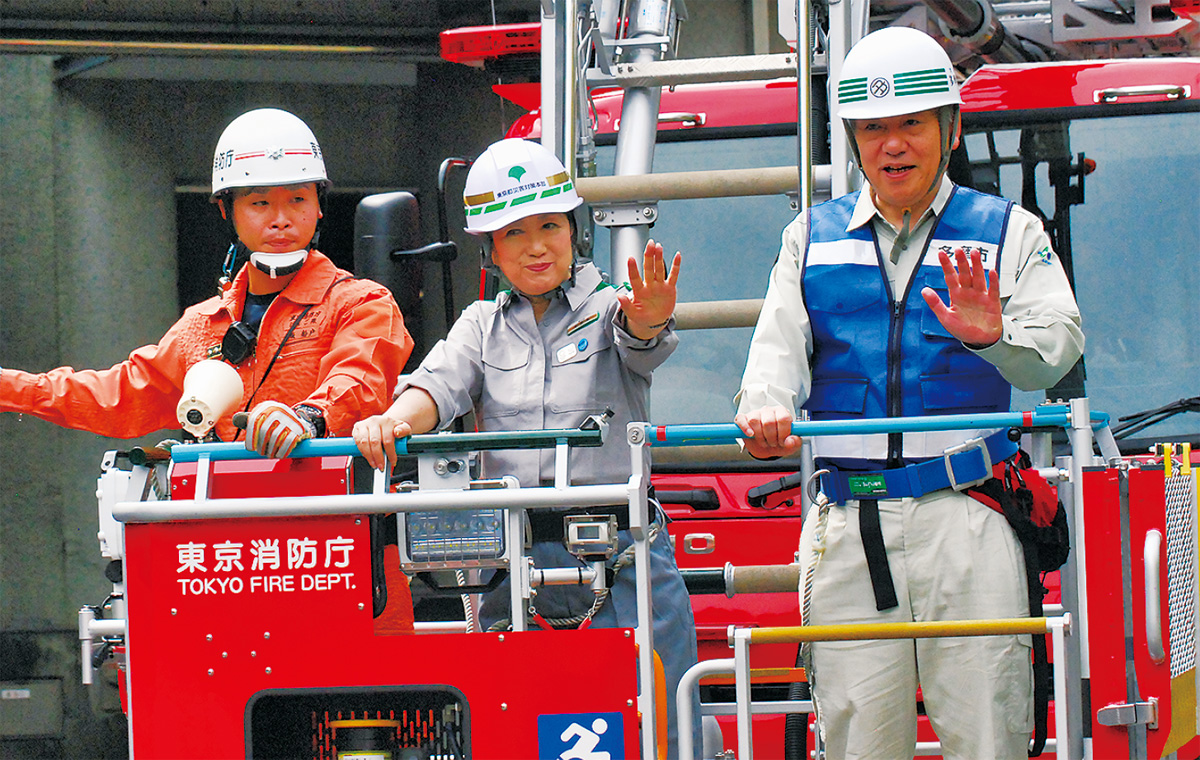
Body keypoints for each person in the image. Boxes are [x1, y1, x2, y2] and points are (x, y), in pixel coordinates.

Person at [734, 27, 1084, 760]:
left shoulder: (1009, 230)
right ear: (853, 140)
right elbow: (775, 354)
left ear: (951, 130)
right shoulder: (809, 238)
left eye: (911, 124)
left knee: (990, 734)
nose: (892, 146)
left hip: (970, 516)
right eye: (873, 129)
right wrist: (764, 408)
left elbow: (1058, 349)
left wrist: (994, 337)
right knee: (857, 741)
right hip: (848, 523)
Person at [353, 137, 701, 758]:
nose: (536, 246)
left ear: (575, 231)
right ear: (490, 250)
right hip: (510, 561)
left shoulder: (612, 306)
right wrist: (392, 422)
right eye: (513, 233)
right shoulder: (479, 326)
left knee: (659, 730)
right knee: (513, 730)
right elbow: (436, 387)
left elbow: (641, 336)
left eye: (549, 226)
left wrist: (651, 315)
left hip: (622, 557)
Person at [0, 107, 413, 458]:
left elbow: (358, 381)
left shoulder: (361, 304)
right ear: (226, 210)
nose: (281, 218)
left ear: (320, 206)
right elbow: (120, 396)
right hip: (219, 517)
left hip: (328, 513)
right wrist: (11, 388)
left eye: (297, 199)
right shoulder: (201, 325)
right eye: (260, 202)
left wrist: (306, 417)